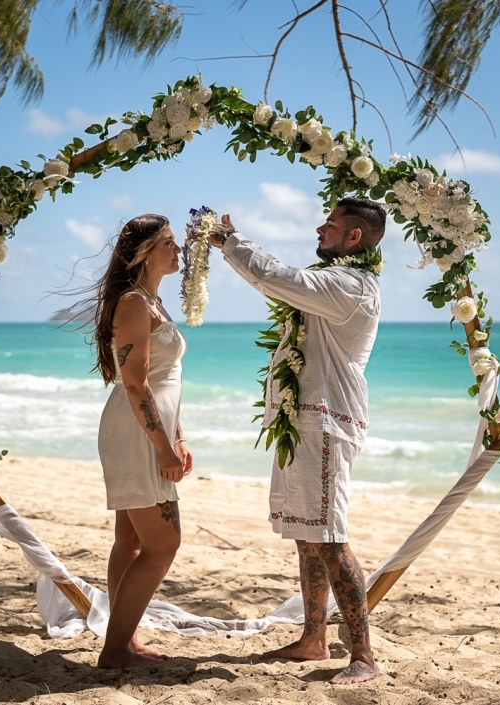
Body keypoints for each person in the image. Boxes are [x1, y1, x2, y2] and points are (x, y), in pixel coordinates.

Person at [208, 197, 385, 685]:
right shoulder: (337, 281)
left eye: (329, 225)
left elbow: (280, 279)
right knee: (310, 536)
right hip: (304, 422)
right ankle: (313, 639)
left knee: (330, 538)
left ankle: (364, 656)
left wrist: (232, 243)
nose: (318, 229)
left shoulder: (351, 285)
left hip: (326, 424)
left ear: (354, 237)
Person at [90, 214, 193, 669]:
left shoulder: (154, 302)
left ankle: (123, 641)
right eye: (169, 243)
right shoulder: (134, 303)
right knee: (164, 543)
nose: (179, 251)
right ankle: (115, 651)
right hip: (136, 432)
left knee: (131, 540)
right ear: (144, 252)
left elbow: (167, 379)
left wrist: (180, 436)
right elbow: (135, 384)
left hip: (149, 429)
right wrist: (162, 448)